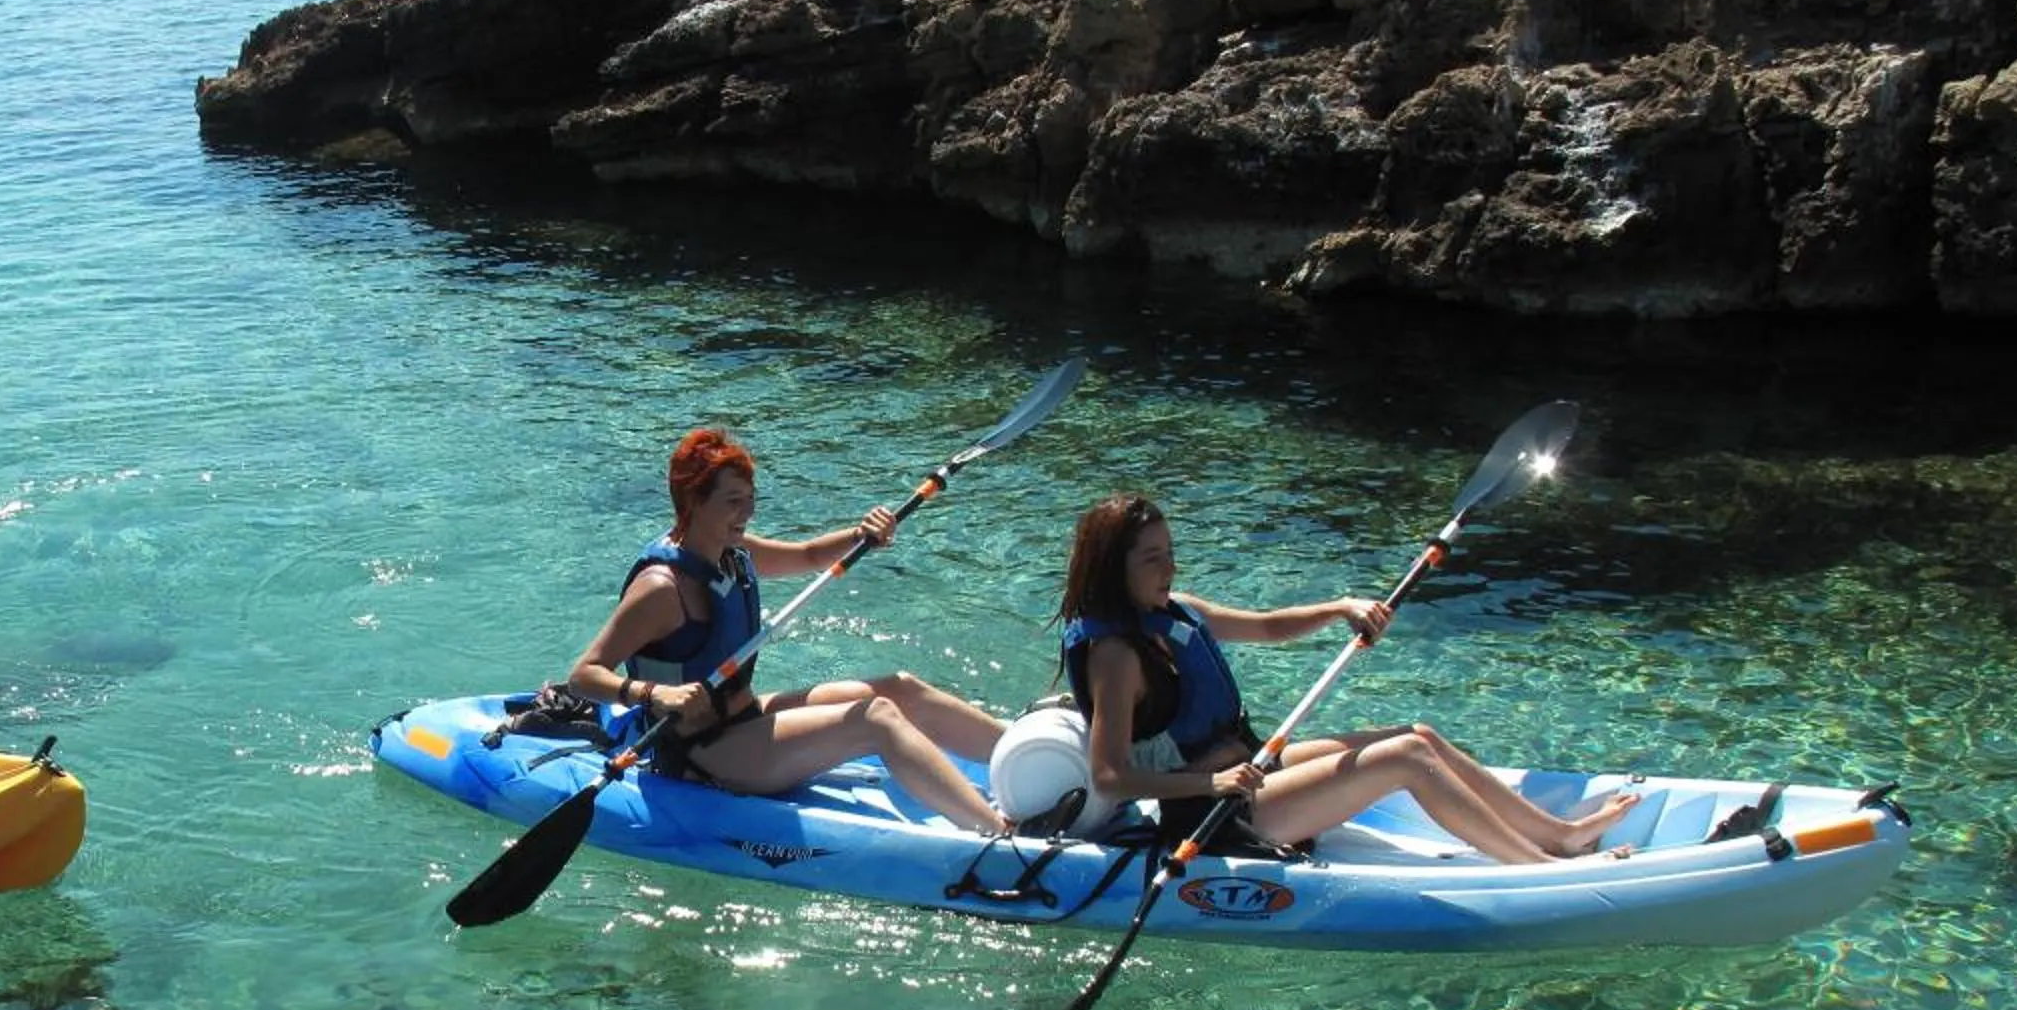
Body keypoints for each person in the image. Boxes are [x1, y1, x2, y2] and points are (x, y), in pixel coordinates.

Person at [1054, 492, 1635, 863]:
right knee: (1405, 756)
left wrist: (1339, 607)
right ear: (1114, 567)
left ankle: (1558, 835)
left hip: (1251, 773)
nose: (1170, 566)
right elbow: (1111, 776)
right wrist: (1216, 785)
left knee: (1419, 735)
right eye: (1152, 558)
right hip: (1215, 812)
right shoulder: (1116, 656)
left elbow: (1265, 628)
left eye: (1170, 552)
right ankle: (1539, 870)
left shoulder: (1176, 609)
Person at [562, 427, 1011, 835]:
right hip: (706, 751)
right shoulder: (661, 589)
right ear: (694, 502)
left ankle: (1026, 759)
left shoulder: (732, 552)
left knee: (902, 689)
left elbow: (809, 555)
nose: (747, 512)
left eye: (750, 498)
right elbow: (585, 674)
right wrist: (653, 695)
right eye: (733, 501)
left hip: (747, 717)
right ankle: (999, 835)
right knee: (876, 718)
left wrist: (863, 533)